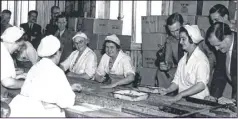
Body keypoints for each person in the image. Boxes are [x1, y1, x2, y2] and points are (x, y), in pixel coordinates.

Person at [9, 35, 76, 117]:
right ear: (57, 53)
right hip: (40, 112)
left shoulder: (34, 67)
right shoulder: (56, 71)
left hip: (20, 109)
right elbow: (67, 101)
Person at [156, 13, 215, 88]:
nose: (175, 34)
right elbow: (169, 61)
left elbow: (211, 55)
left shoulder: (197, 33)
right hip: (182, 70)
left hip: (199, 68)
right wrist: (166, 66)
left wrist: (207, 70)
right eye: (172, 31)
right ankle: (166, 94)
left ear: (183, 24)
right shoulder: (170, 41)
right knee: (160, 72)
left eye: (177, 30)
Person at [158, 25, 210, 101]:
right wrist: (167, 90)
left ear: (192, 40)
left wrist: (181, 94)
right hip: (185, 100)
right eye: (180, 39)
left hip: (199, 100)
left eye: (183, 39)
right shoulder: (183, 59)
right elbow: (176, 81)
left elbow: (201, 85)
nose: (180, 42)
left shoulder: (201, 59)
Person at [208, 4, 236, 99]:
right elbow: (220, 73)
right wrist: (214, 96)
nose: (214, 23)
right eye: (212, 21)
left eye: (216, 20)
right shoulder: (219, 42)